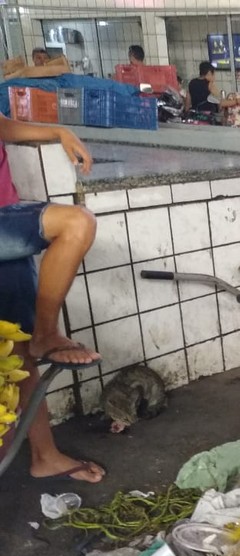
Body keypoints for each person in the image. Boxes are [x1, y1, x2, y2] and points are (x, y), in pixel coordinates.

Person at [0, 114, 106, 483]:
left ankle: (44, 455)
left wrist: (59, 130)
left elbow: (2, 125)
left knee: (16, 347)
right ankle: (48, 333)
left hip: (6, 222)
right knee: (77, 223)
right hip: (4, 220)